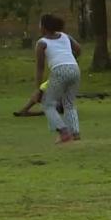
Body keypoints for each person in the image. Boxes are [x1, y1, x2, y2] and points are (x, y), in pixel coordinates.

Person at [35, 14, 81, 143]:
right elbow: (78, 49)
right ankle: (75, 133)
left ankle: (63, 132)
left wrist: (38, 88)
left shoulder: (42, 43)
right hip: (74, 68)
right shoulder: (65, 36)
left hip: (59, 70)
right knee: (69, 103)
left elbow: (40, 68)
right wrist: (70, 58)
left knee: (47, 103)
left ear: (44, 27)